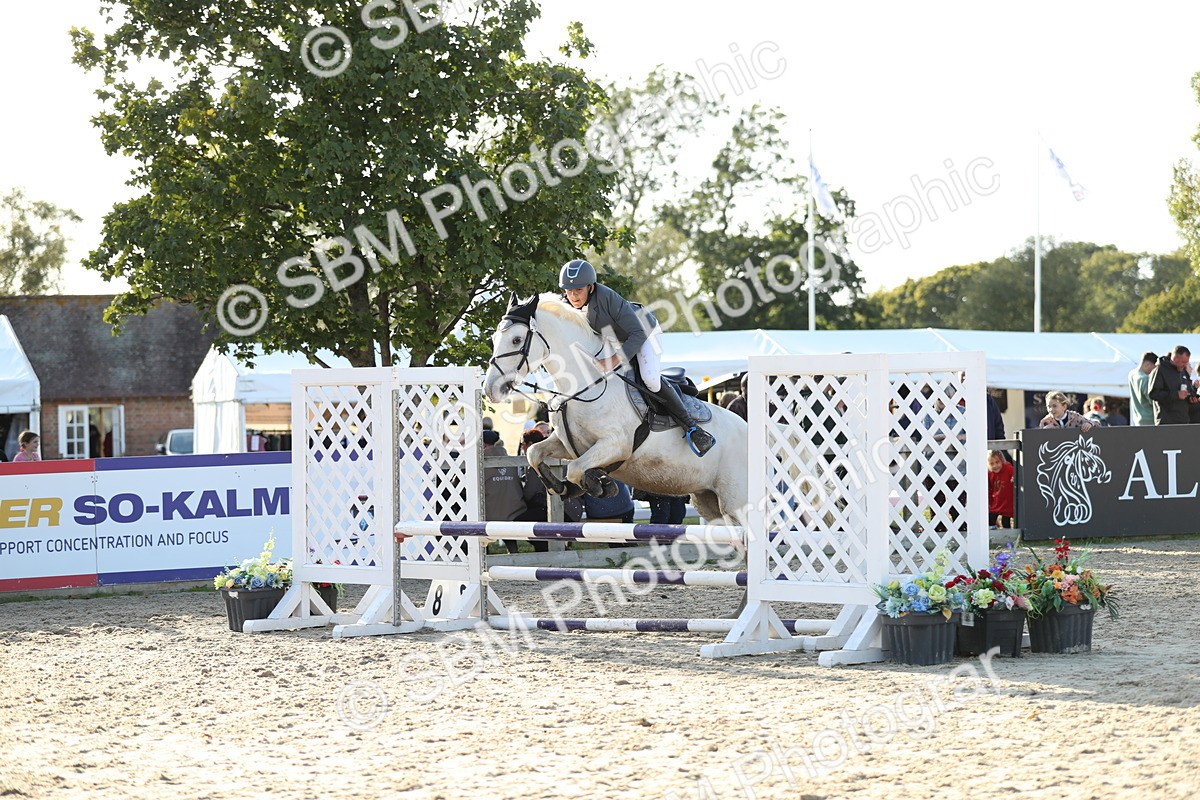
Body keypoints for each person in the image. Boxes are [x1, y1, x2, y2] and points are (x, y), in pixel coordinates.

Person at [558, 258, 715, 456]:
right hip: (617, 339)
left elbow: (638, 334)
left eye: (578, 290)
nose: (573, 296)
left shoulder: (607, 297)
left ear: (590, 287)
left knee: (649, 379)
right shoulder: (565, 304)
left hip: (644, 332)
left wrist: (614, 360)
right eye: (569, 291)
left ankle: (692, 428)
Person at [482, 430, 527, 554]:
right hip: (515, 511)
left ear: (483, 445)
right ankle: (513, 551)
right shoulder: (512, 461)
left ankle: (484, 552)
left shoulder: (479, 464)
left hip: (488, 513)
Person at [1148, 345, 1192, 425]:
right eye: (1183, 362)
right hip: (1166, 422)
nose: (1185, 365)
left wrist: (1192, 397)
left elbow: (1188, 391)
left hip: (1183, 421)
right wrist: (1176, 395)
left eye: (1187, 362)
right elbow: (1153, 394)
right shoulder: (1160, 370)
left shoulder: (1183, 371)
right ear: (1175, 358)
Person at [987, 450, 1015, 529]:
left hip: (1007, 502)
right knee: (991, 520)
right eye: (992, 464)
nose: (995, 466)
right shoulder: (990, 473)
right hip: (996, 501)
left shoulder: (1008, 468)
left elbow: (1015, 475)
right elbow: (990, 488)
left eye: (997, 462)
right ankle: (993, 537)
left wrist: (1013, 477)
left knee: (1005, 521)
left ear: (1002, 461)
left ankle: (1008, 538)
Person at [1128, 351, 1157, 426]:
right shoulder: (1145, 379)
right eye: (1154, 368)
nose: (1154, 372)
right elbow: (1153, 401)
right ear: (1147, 364)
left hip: (1138, 420)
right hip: (1150, 421)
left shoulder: (1131, 374)